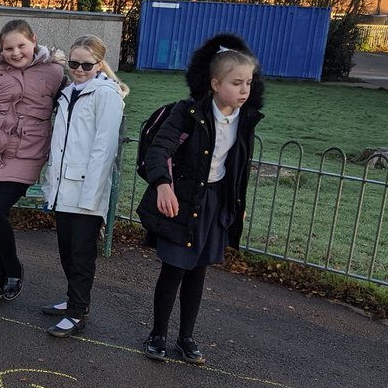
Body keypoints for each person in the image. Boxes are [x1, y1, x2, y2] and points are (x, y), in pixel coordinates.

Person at [137, 33, 265, 365]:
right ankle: (158, 334)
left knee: (198, 272)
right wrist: (163, 185)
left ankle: (186, 337)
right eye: (236, 83)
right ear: (214, 83)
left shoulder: (245, 120)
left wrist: (238, 203)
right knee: (175, 269)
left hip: (213, 204)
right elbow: (158, 149)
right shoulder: (187, 113)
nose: (244, 90)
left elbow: (238, 166)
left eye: (248, 83)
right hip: (182, 202)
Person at [0, 19, 65, 303]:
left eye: (21, 46)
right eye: (9, 48)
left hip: (25, 157)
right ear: (1, 49)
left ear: (33, 40)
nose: (16, 53)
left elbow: (74, 101)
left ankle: (14, 271)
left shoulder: (55, 72)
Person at [39, 34, 128, 337]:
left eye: (86, 65)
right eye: (73, 63)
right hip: (64, 186)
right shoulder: (69, 92)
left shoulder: (106, 94)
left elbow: (104, 148)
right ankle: (74, 300)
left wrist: (91, 196)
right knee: (67, 249)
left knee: (81, 253)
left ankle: (78, 312)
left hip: (86, 188)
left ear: (100, 64)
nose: (78, 69)